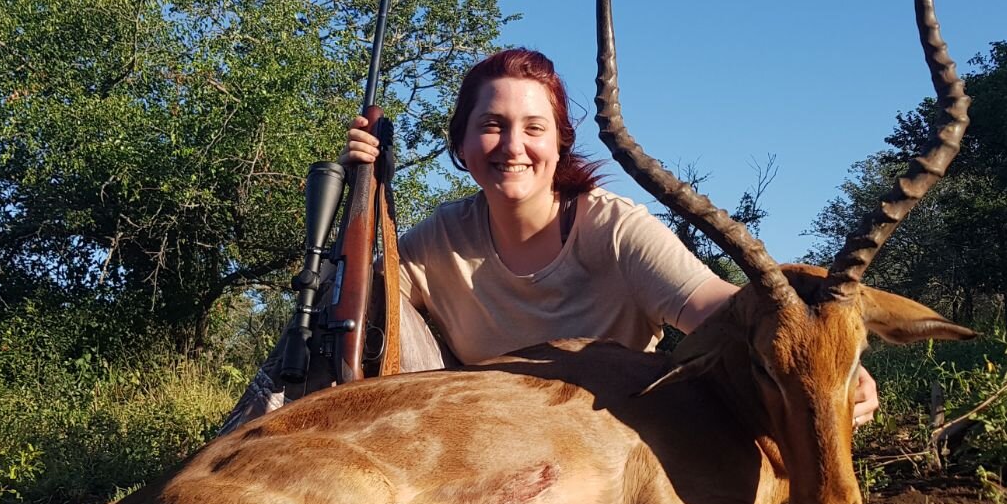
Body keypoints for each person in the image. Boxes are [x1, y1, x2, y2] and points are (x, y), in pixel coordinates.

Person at [343, 48, 879, 422]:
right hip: (472, 433)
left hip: (592, 443)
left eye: (533, 128)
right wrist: (366, 190)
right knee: (346, 300)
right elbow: (361, 306)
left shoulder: (615, 228)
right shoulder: (443, 234)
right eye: (490, 125)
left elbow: (728, 312)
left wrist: (830, 363)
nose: (512, 146)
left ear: (560, 145)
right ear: (460, 144)